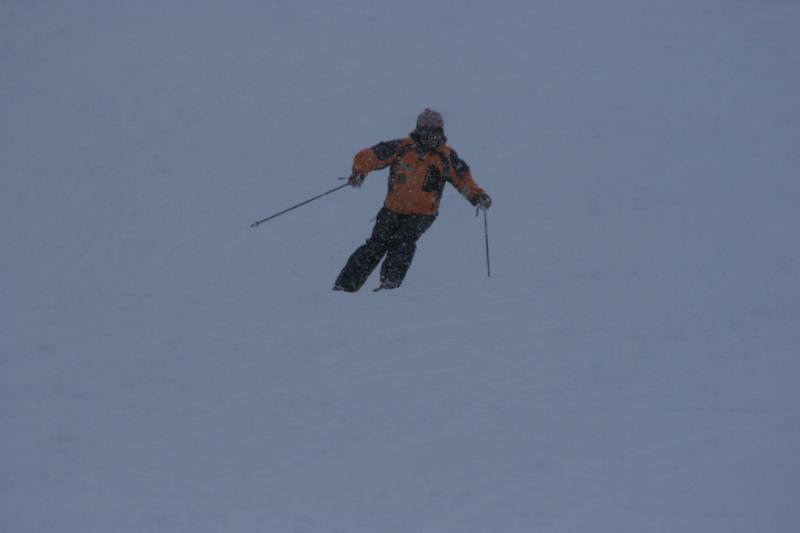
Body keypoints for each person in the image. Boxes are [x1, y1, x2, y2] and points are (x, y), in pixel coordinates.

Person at [333, 109, 492, 292]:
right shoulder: (401, 147)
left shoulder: (446, 157)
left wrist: (477, 196)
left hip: (422, 214)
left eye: (436, 132)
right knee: (376, 244)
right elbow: (370, 155)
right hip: (392, 209)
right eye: (427, 131)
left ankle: (390, 284)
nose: (431, 137)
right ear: (418, 130)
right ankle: (345, 286)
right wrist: (359, 171)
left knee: (403, 242)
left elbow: (463, 180)